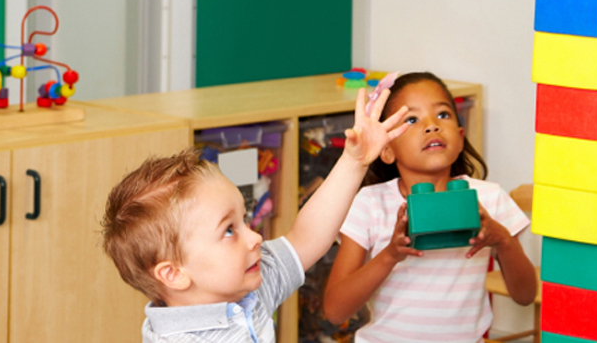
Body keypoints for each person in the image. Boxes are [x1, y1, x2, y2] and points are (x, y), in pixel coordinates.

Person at [101, 87, 409, 343]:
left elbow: (306, 239)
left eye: (244, 221)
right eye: (229, 231)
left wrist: (354, 163)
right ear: (174, 274)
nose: (256, 237)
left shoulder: (244, 286)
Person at [322, 72, 536, 342]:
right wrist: (390, 254)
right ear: (386, 149)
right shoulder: (370, 203)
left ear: (459, 138)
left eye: (443, 115)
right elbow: (335, 310)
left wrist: (503, 240)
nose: (432, 126)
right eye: (412, 119)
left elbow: (526, 295)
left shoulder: (489, 198)